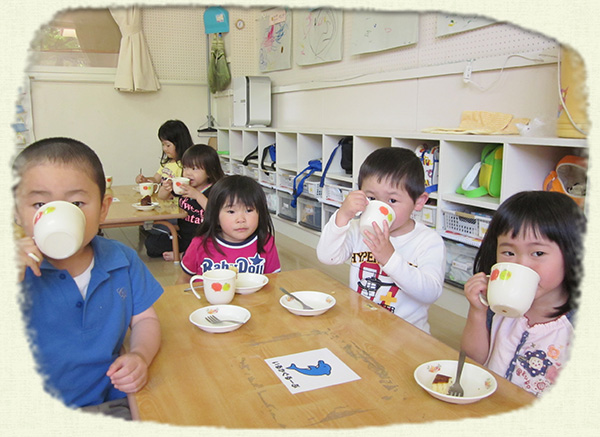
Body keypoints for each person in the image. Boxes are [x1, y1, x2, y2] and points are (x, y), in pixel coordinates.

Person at [13, 137, 163, 419]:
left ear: (104, 208)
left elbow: (145, 319)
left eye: (77, 202)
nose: (58, 215)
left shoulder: (123, 260)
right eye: (39, 204)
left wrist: (140, 356)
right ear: (16, 212)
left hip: (109, 404)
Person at [460, 190, 585, 396]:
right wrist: (477, 311)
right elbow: (474, 359)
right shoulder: (498, 303)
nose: (521, 265)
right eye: (508, 252)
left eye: (538, 253)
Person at [316, 147, 445, 333]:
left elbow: (430, 293)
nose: (381, 207)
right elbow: (327, 256)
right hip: (361, 327)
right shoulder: (358, 229)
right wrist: (342, 215)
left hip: (407, 336)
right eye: (371, 198)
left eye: (392, 200)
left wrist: (389, 258)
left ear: (418, 201)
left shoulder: (428, 241)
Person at [177, 175, 281, 284]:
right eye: (231, 212)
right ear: (215, 215)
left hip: (255, 301)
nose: (241, 219)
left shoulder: (266, 242)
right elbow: (184, 280)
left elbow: (273, 282)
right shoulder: (200, 244)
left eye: (249, 210)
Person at [146, 144, 225, 261]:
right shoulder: (184, 186)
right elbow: (161, 197)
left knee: (210, 249)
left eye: (194, 169)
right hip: (184, 236)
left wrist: (197, 195)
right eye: (185, 168)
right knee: (152, 244)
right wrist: (165, 188)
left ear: (209, 171)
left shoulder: (215, 190)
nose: (188, 173)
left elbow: (215, 212)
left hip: (206, 238)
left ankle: (185, 255)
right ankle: (187, 253)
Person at [135, 119, 194, 193]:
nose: (164, 148)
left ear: (180, 143)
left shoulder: (185, 166)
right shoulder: (167, 163)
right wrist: (145, 180)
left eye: (168, 145)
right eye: (163, 144)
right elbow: (156, 179)